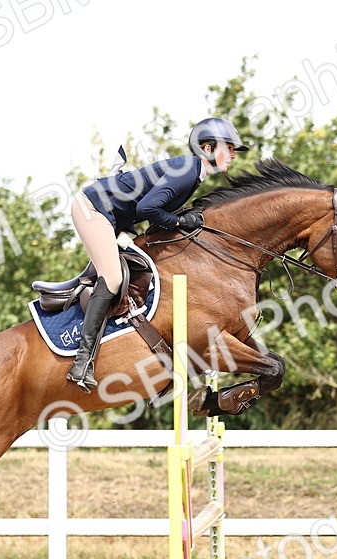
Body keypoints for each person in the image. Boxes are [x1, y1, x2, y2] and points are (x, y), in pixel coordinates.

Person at [66, 117, 249, 392]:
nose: (234, 155)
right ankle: (82, 363)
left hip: (113, 216)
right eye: (230, 148)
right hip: (92, 208)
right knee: (113, 278)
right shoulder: (188, 171)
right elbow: (147, 209)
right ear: (208, 148)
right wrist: (179, 222)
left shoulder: (193, 172)